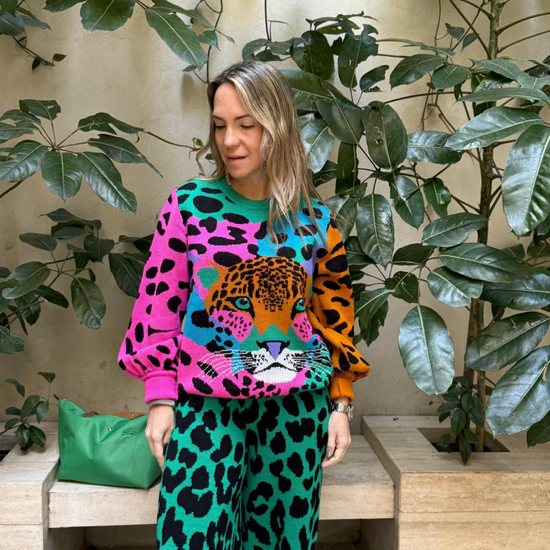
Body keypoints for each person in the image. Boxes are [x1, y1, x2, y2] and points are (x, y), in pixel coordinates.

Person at [117, 59, 371, 550]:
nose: (229, 140)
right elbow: (157, 306)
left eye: (246, 125)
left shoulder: (316, 220)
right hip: (206, 403)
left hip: (295, 409)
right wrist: (161, 397)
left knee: (282, 540)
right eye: (219, 126)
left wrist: (340, 403)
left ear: (277, 127)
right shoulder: (188, 206)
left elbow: (334, 317)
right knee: (192, 536)